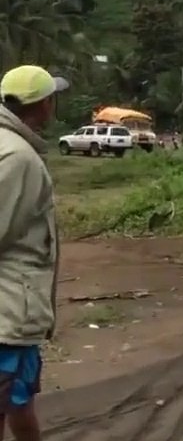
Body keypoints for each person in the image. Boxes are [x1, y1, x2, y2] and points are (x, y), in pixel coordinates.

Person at [0, 65, 69, 441]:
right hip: (10, 310)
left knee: (17, 401)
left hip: (12, 309)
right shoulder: (19, 158)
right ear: (43, 105)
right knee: (9, 399)